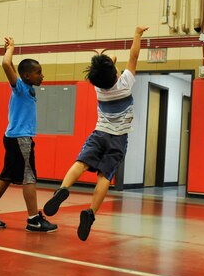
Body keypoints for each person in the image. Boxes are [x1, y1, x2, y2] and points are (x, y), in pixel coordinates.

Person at [43, 25, 149, 241]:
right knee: (104, 177)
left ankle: (63, 189)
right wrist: (137, 34)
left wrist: (110, 62)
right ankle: (90, 213)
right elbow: (134, 55)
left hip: (99, 134)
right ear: (116, 74)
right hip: (118, 140)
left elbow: (109, 64)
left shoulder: (98, 87)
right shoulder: (126, 83)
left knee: (80, 163)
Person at [0, 37, 57, 233]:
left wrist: (9, 56)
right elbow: (6, 64)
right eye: (38, 73)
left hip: (14, 138)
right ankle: (33, 219)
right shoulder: (20, 88)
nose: (42, 76)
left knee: (7, 176)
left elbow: (10, 65)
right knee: (29, 176)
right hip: (21, 139)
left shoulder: (26, 88)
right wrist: (10, 49)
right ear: (27, 76)